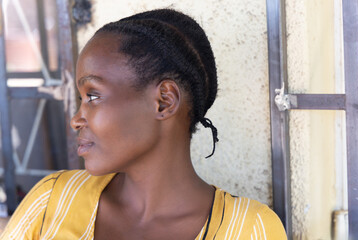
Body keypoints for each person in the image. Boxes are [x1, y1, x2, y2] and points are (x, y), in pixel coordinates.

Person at [1, 9, 287, 240]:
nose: (77, 119)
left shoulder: (250, 230)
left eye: (93, 96)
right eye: (80, 98)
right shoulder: (51, 201)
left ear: (164, 101)